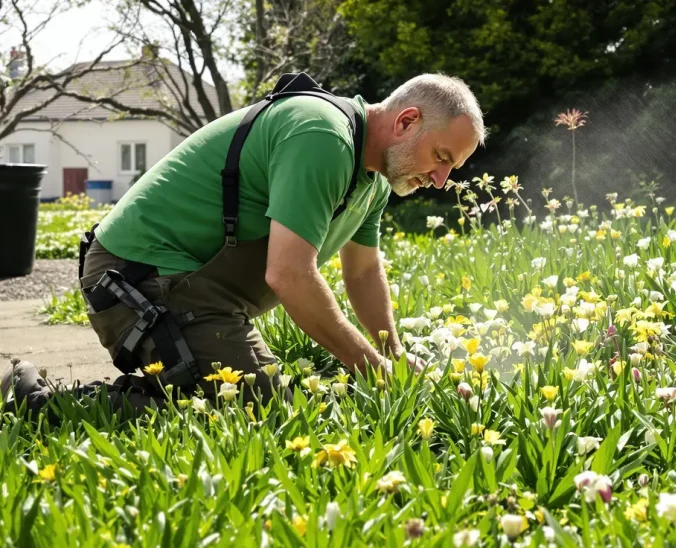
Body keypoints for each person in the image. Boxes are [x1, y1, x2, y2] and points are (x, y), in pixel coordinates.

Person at [2, 71, 486, 419]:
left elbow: (361, 273)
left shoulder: (374, 179)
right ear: (406, 121)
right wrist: (371, 367)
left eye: (451, 168)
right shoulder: (323, 136)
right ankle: (36, 402)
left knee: (256, 407)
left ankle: (172, 377)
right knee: (251, 412)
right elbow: (289, 274)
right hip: (138, 277)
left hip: (196, 289)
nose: (442, 180)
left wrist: (393, 354)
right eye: (441, 157)